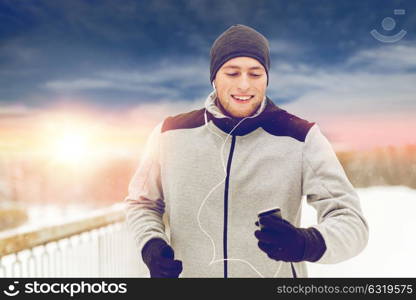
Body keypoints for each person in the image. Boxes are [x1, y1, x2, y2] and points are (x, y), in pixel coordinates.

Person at [124, 24, 369, 278]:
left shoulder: (301, 137)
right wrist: (150, 245)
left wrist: (308, 242)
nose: (244, 85)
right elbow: (142, 203)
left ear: (266, 78)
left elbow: (351, 222)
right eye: (232, 73)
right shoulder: (169, 134)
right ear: (214, 77)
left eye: (255, 74)